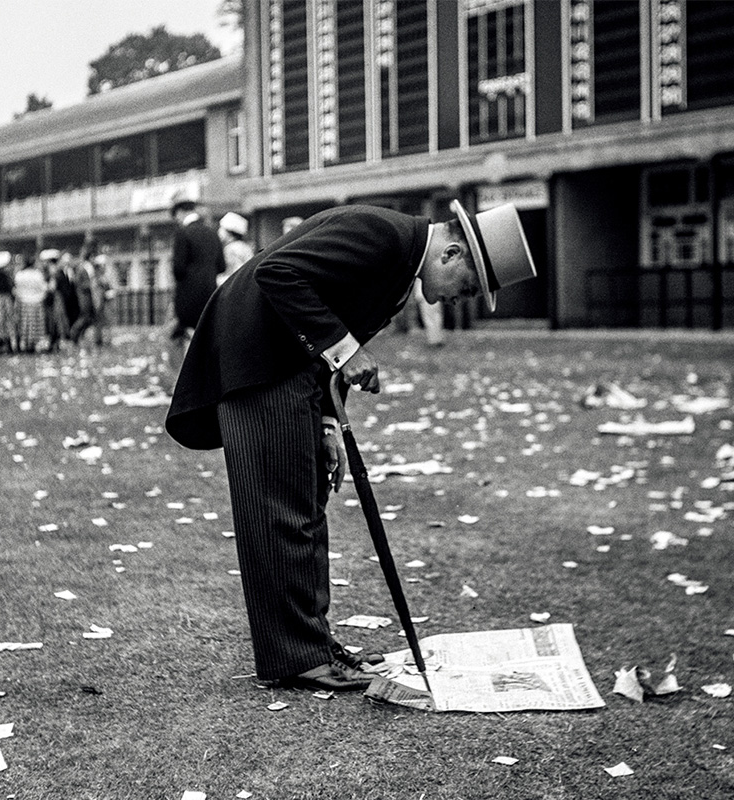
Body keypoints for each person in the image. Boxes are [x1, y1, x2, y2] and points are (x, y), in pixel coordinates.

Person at [165, 201, 536, 692]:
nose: (456, 299)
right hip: (258, 364)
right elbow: (279, 274)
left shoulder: (400, 263)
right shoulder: (380, 235)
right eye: (467, 286)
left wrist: (325, 423)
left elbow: (321, 319)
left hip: (283, 367)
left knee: (303, 503)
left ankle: (308, 648)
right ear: (451, 253)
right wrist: (346, 349)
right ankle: (299, 657)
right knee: (283, 511)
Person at [168, 193, 225, 370]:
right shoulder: (212, 232)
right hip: (210, 294)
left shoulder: (183, 233)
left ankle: (179, 381)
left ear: (180, 212)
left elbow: (178, 269)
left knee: (174, 337)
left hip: (188, 297)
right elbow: (221, 266)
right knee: (205, 339)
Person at [13, 255, 47, 353]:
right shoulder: (38, 275)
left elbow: (17, 288)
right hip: (36, 301)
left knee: (25, 324)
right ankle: (34, 343)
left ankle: (26, 342)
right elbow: (43, 287)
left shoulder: (19, 275)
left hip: (24, 301)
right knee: (36, 324)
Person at [40, 249, 71, 353]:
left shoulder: (53, 272)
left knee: (54, 321)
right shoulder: (59, 271)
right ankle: (55, 343)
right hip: (58, 299)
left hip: (54, 300)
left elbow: (52, 287)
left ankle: (54, 343)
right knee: (56, 321)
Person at [217, 211, 254, 285]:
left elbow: (234, 274)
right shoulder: (244, 246)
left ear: (230, 233)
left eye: (221, 228)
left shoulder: (232, 249)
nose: (219, 231)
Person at [70, 244, 97, 345]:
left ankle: (80, 336)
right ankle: (74, 334)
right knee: (84, 317)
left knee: (90, 318)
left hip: (89, 295)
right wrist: (90, 285)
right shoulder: (83, 268)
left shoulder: (89, 267)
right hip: (84, 296)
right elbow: (79, 283)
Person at [90, 254, 114, 347]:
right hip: (99, 303)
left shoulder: (103, 276)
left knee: (107, 322)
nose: (104, 267)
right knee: (99, 323)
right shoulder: (96, 278)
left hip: (105, 303)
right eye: (102, 265)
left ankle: (106, 340)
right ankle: (99, 341)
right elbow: (97, 291)